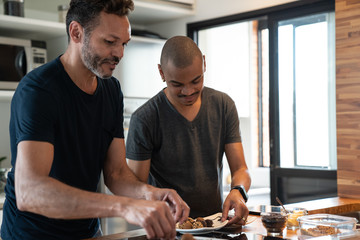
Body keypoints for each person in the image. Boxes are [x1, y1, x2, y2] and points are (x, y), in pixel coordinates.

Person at [0, 1, 189, 239]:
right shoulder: (39, 91)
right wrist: (123, 206)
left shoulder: (111, 90)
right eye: (110, 42)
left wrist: (150, 194)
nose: (119, 53)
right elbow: (30, 192)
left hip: (88, 233)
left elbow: (117, 173)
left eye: (123, 44)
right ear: (76, 32)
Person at [126, 36, 251, 226]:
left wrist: (238, 191)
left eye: (196, 80)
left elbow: (241, 168)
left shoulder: (223, 105)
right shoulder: (145, 118)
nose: (188, 91)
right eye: (177, 84)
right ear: (161, 72)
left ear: (204, 63)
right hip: (167, 228)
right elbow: (135, 190)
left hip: (215, 225)